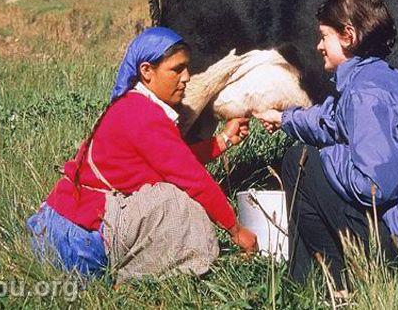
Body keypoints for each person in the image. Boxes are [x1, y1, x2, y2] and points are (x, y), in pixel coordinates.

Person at [255, 0, 398, 293]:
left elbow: (373, 188)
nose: (318, 46)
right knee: (307, 158)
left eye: (324, 36)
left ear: (349, 35)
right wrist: (285, 119)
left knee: (299, 161)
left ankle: (319, 286)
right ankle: (312, 284)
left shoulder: (364, 94)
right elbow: (333, 120)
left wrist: (331, 155)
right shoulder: (382, 76)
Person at [26, 27, 258, 282]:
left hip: (55, 227)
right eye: (176, 69)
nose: (187, 77)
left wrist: (222, 140)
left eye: (187, 68)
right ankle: (137, 278)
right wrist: (235, 230)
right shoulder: (144, 116)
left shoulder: (134, 105)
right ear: (147, 71)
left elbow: (172, 158)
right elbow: (193, 179)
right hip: (78, 243)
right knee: (177, 204)